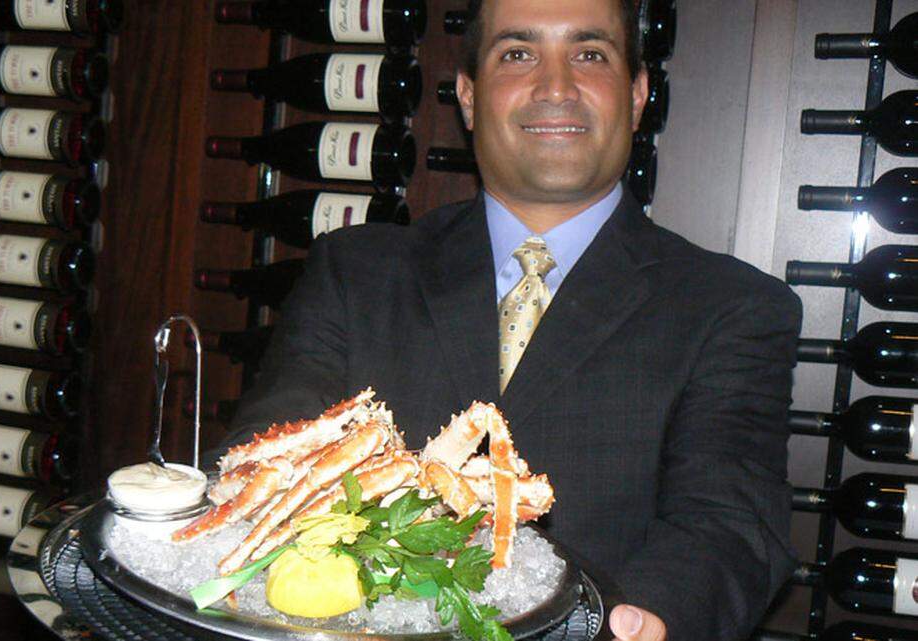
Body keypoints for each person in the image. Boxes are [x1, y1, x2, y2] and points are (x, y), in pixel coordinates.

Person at [211, 0, 802, 639]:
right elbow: (259, 471)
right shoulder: (354, 273)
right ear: (468, 97)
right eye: (518, 54)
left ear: (636, 96)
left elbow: (729, 525)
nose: (556, 86)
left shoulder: (731, 307)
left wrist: (643, 620)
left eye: (589, 54)